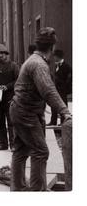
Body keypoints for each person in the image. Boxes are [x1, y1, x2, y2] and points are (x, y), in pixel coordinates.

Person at [10, 27, 72, 191]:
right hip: (26, 112)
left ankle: (18, 189)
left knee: (21, 150)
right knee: (40, 151)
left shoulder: (32, 60)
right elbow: (48, 91)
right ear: (51, 48)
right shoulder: (39, 65)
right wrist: (65, 111)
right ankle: (38, 192)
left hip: (20, 110)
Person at [50, 49, 72, 125]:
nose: (54, 58)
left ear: (58, 56)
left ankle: (63, 122)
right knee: (54, 105)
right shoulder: (56, 65)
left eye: (55, 56)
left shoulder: (67, 66)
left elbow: (69, 80)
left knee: (63, 106)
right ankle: (53, 121)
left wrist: (65, 90)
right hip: (56, 90)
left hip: (62, 91)